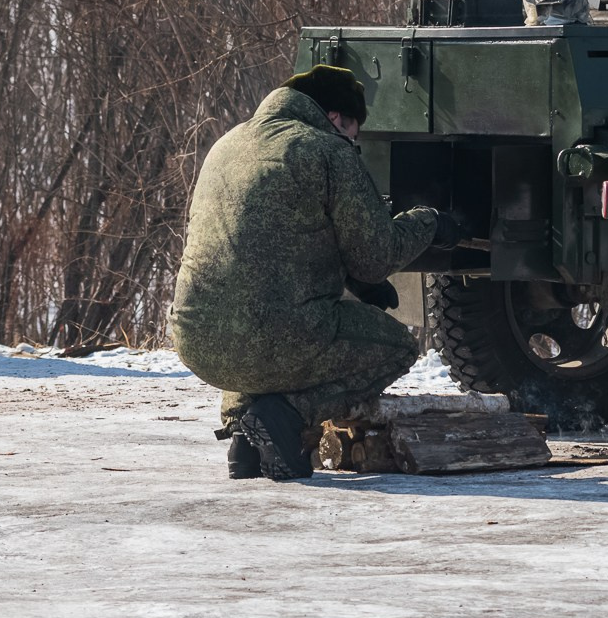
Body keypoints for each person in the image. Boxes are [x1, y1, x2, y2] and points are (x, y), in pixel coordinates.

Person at [171, 64, 461, 480]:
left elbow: (273, 243)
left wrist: (357, 282)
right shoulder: (326, 150)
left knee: (264, 328)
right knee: (396, 347)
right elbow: (378, 256)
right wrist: (429, 222)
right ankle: (284, 417)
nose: (352, 143)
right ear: (335, 116)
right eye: (353, 133)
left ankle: (243, 438)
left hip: (196, 341)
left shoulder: (227, 144)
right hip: (268, 336)